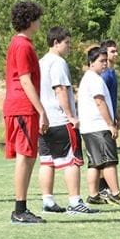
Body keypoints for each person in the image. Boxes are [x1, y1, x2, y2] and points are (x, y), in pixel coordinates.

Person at [38, 27, 99, 215]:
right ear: (56, 43)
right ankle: (75, 202)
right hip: (59, 119)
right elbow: (61, 89)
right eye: (67, 43)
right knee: (71, 161)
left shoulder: (40, 62)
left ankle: (47, 201)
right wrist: (71, 116)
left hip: (44, 119)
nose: (69, 47)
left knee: (47, 161)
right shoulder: (58, 62)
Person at [3, 0, 49, 224]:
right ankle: (19, 210)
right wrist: (41, 110)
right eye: (38, 18)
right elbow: (24, 80)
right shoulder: (22, 45)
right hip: (22, 106)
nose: (40, 22)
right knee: (25, 156)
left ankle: (22, 208)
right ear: (30, 20)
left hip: (24, 106)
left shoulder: (24, 44)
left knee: (29, 156)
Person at [78, 46, 120, 207]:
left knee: (95, 163)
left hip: (89, 128)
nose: (105, 64)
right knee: (110, 161)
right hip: (98, 127)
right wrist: (110, 124)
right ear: (91, 63)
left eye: (105, 60)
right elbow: (100, 102)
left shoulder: (90, 78)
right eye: (101, 61)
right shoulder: (95, 79)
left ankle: (93, 195)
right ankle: (116, 193)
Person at [96, 39, 120, 200]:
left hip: (111, 118)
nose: (116, 54)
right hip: (102, 121)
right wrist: (108, 120)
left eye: (116, 51)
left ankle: (103, 188)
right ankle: (103, 189)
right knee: (104, 156)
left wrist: (117, 114)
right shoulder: (104, 75)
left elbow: (111, 98)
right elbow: (101, 100)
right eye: (112, 51)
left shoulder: (112, 73)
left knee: (105, 155)